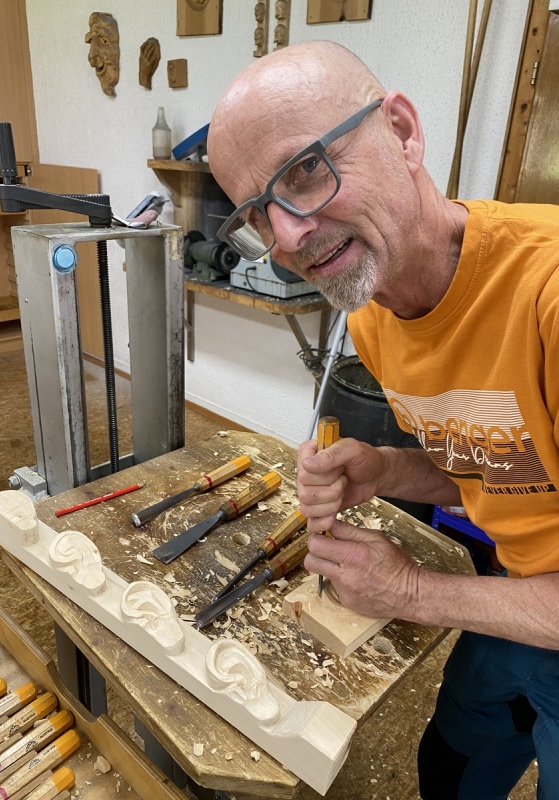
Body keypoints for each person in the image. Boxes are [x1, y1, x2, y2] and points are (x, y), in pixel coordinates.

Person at [207, 40, 559, 799]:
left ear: (402, 131)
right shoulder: (370, 306)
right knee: (451, 767)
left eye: (306, 169)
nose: (288, 238)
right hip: (520, 589)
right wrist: (386, 468)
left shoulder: (548, 295)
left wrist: (412, 593)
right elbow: (517, 468)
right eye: (257, 214)